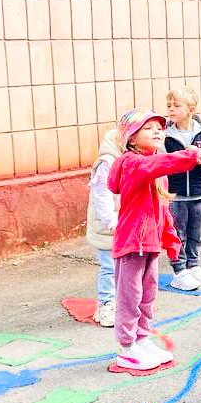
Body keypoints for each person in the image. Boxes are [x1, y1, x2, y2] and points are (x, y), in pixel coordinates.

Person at [108, 109, 201, 372]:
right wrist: (190, 155)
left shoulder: (155, 168)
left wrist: (172, 240)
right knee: (130, 296)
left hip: (150, 243)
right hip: (132, 243)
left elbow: (162, 210)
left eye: (159, 128)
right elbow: (159, 164)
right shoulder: (131, 163)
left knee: (147, 295)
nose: (156, 131)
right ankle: (127, 347)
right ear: (131, 137)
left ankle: (141, 338)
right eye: (148, 128)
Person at [163, 86, 201, 292]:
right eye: (169, 106)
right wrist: (185, 156)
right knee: (177, 234)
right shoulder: (165, 136)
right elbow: (161, 162)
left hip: (199, 192)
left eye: (176, 105)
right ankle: (179, 271)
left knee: (195, 233)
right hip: (176, 194)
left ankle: (193, 265)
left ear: (191, 109)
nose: (171, 109)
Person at [85, 127, 122, 327]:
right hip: (108, 226)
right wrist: (111, 222)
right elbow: (102, 195)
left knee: (124, 267)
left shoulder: (133, 157)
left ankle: (120, 302)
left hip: (126, 222)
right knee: (109, 266)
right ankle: (106, 304)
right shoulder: (107, 162)